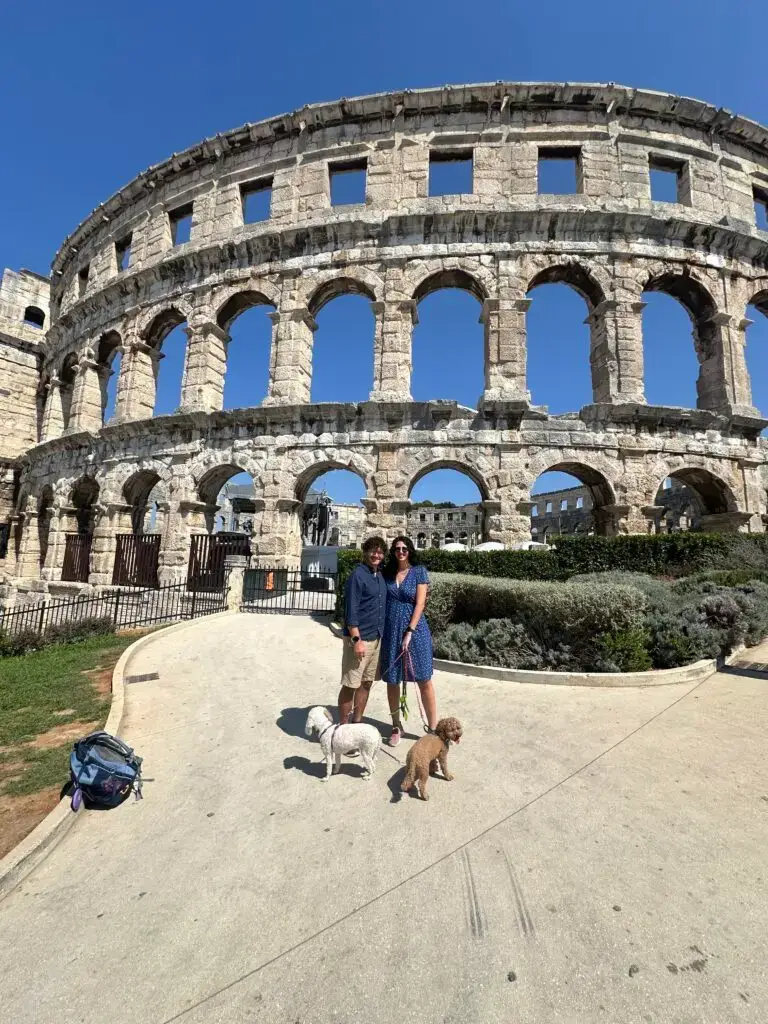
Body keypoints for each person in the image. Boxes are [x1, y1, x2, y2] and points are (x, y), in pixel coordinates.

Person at [381, 535, 437, 745]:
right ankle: (396, 725)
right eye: (397, 548)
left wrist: (410, 631)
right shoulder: (387, 574)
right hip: (391, 630)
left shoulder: (418, 571)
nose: (401, 551)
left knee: (424, 679)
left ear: (410, 550)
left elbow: (420, 604)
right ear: (393, 552)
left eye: (404, 548)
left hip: (415, 631)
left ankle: (432, 729)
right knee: (393, 680)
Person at [338, 535, 388, 734]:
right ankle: (343, 731)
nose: (377, 555)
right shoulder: (357, 576)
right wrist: (356, 639)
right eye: (373, 551)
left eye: (380, 551)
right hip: (360, 638)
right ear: (365, 552)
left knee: (366, 683)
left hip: (376, 638)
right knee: (351, 684)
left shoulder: (379, 575)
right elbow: (351, 611)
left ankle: (357, 725)